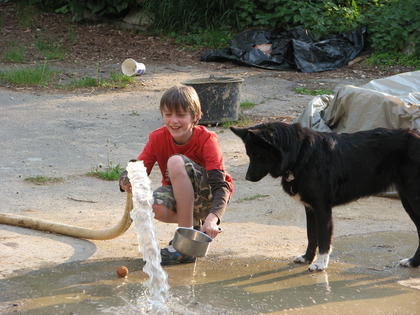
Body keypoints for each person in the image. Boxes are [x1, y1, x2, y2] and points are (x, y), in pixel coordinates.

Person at [120, 84, 233, 265]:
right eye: (168, 114)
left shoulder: (207, 139)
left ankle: (185, 241)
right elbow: (139, 168)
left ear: (195, 116)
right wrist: (126, 179)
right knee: (148, 204)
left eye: (181, 115)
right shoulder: (157, 138)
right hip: (182, 200)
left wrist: (212, 219)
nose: (174, 121)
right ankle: (193, 227)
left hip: (208, 198)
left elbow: (221, 185)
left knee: (175, 161)